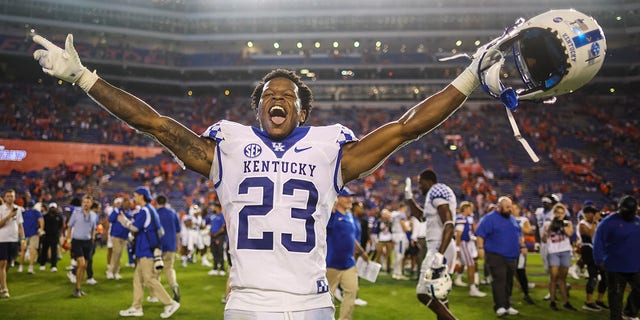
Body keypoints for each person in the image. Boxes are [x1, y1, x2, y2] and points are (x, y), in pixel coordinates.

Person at [32, 31, 497, 319]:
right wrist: (84, 78)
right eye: (270, 93)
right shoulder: (229, 144)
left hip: (313, 302)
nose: (278, 97)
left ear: (302, 108)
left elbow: (405, 127)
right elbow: (153, 123)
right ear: (258, 106)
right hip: (248, 303)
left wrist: (469, 81)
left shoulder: (328, 147)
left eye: (289, 95)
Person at [117, 186, 180, 318]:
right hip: (146, 249)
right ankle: (136, 307)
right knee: (137, 279)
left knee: (149, 279)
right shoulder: (151, 210)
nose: (134, 198)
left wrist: (124, 221)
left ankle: (169, 303)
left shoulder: (145, 211)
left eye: (135, 195)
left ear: (141, 196)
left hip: (146, 250)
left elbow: (134, 227)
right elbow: (160, 231)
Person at [406, 169, 458, 319]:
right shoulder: (432, 194)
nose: (419, 187)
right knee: (438, 295)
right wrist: (409, 197)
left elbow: (449, 223)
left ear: (429, 181)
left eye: (421, 183)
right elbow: (421, 217)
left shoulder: (437, 189)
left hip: (440, 246)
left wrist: (439, 254)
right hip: (439, 246)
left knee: (423, 293)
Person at [475, 196, 524, 316]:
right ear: (499, 207)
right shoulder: (489, 218)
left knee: (508, 281)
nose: (510, 209)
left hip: (512, 255)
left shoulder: (512, 219)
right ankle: (500, 306)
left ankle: (507, 305)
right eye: (507, 207)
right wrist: (480, 248)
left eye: (510, 207)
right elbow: (480, 234)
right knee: (499, 280)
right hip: (496, 255)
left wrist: (523, 246)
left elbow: (519, 234)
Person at [593, 195, 640, 320]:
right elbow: (598, 242)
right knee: (616, 296)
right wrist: (599, 260)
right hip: (615, 266)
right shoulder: (607, 222)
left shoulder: (638, 222)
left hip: (635, 265)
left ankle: (630, 311)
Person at [326, 188, 369, 320]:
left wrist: (361, 251)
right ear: (338, 199)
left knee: (352, 292)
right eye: (347, 197)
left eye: (351, 197)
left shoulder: (350, 216)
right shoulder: (331, 216)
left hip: (349, 263)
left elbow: (351, 237)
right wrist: (331, 209)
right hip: (332, 263)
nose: (350, 199)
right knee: (327, 298)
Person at [542, 203, 577, 311]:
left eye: (562, 213)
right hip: (553, 252)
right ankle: (552, 301)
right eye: (558, 213)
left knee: (563, 278)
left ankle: (566, 302)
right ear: (554, 213)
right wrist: (551, 226)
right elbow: (544, 239)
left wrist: (561, 224)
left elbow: (570, 234)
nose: (560, 215)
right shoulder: (548, 223)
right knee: (553, 277)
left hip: (565, 251)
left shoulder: (568, 223)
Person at [65, 194, 98, 297]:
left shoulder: (94, 215)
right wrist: (68, 240)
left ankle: (78, 288)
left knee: (84, 267)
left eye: (88, 202)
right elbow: (69, 226)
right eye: (84, 202)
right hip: (77, 241)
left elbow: (93, 229)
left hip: (88, 242)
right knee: (82, 264)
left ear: (91, 204)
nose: (86, 204)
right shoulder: (76, 213)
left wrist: (92, 239)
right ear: (82, 203)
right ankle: (77, 287)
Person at [579, 205, 608, 312]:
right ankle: (588, 302)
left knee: (605, 276)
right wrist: (595, 222)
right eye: (593, 213)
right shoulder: (583, 224)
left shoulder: (598, 223)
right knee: (593, 275)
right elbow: (591, 234)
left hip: (599, 250)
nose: (595, 215)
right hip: (588, 250)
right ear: (587, 214)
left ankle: (599, 300)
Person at [455, 201, 486, 297]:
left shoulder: (465, 218)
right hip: (463, 243)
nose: (470, 210)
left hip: (466, 243)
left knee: (469, 264)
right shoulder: (461, 218)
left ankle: (471, 286)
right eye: (468, 208)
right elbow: (458, 235)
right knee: (471, 264)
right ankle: (472, 288)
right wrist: (457, 248)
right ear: (464, 209)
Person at [155, 194, 182, 303]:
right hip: (171, 244)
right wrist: (178, 244)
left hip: (158, 245)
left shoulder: (155, 213)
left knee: (155, 270)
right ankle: (174, 285)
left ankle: (155, 295)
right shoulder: (172, 213)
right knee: (169, 268)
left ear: (157, 202)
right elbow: (178, 231)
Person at [0, 189, 24, 298]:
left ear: (15, 197)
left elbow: (20, 225)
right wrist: (9, 215)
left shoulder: (18, 209)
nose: (10, 198)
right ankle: (4, 289)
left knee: (9, 263)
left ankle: (1, 281)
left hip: (14, 239)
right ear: (4, 198)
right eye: (8, 196)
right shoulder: (1, 209)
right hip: (2, 239)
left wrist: (22, 239)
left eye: (12, 196)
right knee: (3, 263)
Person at [512, 202, 535, 304]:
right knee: (509, 272)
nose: (513, 210)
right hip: (508, 248)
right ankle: (507, 296)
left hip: (520, 248)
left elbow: (528, 230)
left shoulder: (523, 219)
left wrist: (515, 226)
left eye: (515, 208)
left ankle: (526, 293)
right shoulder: (505, 219)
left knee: (521, 271)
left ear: (518, 209)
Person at [106, 196, 132, 280]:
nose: (127, 205)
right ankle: (110, 272)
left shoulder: (130, 213)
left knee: (119, 254)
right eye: (126, 203)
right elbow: (110, 219)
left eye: (128, 203)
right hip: (116, 235)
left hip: (124, 236)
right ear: (123, 203)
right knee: (116, 253)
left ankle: (115, 272)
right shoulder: (117, 211)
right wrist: (116, 212)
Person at [17, 200, 44, 274]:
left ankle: (20, 267)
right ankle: (30, 267)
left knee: (23, 250)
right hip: (34, 234)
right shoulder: (36, 212)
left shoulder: (23, 213)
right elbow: (41, 220)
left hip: (24, 235)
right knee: (32, 250)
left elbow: (19, 223)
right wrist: (41, 229)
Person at [39, 203, 64, 272]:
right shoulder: (45, 216)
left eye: (53, 208)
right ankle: (42, 264)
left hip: (55, 236)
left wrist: (59, 234)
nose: (52, 209)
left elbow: (61, 226)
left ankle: (53, 265)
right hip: (46, 235)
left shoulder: (59, 216)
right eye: (51, 208)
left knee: (54, 251)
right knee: (44, 250)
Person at [208, 200, 226, 276]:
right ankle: (215, 268)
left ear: (218, 207)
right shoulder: (213, 216)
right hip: (212, 236)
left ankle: (222, 269)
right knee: (214, 252)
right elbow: (212, 226)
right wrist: (210, 232)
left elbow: (223, 227)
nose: (213, 208)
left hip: (219, 236)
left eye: (215, 206)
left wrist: (216, 233)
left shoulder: (222, 215)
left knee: (220, 251)